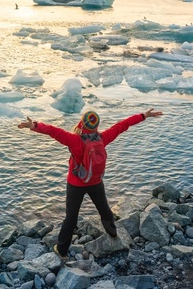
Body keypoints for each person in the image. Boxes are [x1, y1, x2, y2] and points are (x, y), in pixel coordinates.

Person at [17, 108, 163, 259]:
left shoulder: (74, 140)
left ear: (82, 123)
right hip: (95, 182)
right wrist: (143, 116)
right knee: (104, 209)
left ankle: (61, 250)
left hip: (76, 184)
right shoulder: (103, 138)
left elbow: (54, 131)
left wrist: (33, 125)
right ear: (96, 125)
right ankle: (112, 233)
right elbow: (122, 125)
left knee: (71, 217)